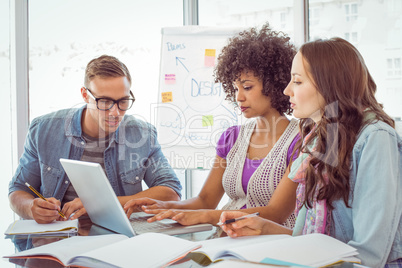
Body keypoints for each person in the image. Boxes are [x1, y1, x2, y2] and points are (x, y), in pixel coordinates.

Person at [219, 38, 402, 267]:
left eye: (297, 81)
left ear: (329, 85)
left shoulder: (375, 138)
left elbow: (368, 256)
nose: (287, 91)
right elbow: (313, 242)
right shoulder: (318, 140)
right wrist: (266, 229)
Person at [124, 23, 300, 229]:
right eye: (235, 88)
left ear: (274, 83)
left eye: (247, 87)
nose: (238, 97)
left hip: (274, 243)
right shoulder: (232, 137)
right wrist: (164, 205)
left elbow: (275, 213)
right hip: (228, 239)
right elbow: (206, 201)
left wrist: (204, 217)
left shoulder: (299, 139)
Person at [9, 55, 182, 224]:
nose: (115, 112)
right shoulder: (43, 129)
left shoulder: (143, 135)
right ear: (85, 95)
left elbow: (171, 191)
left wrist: (101, 204)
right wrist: (31, 207)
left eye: (123, 101)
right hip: (57, 239)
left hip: (118, 240)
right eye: (105, 102)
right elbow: (19, 190)